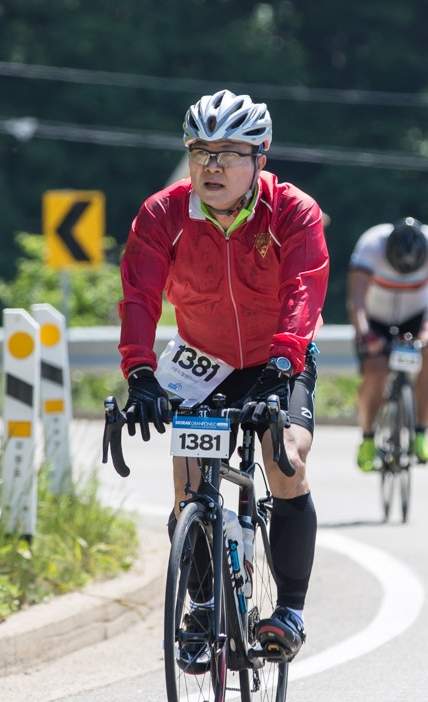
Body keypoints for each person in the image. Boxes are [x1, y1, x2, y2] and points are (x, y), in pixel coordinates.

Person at [117, 89, 329, 661]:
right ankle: (204, 603)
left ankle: (290, 610)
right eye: (201, 152)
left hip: (276, 356)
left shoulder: (292, 211)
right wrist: (139, 372)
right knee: (189, 486)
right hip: (201, 358)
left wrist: (281, 366)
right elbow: (139, 295)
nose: (212, 166)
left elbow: (303, 291)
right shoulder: (162, 214)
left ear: (260, 157)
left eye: (229, 153)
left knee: (285, 456)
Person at [347, 217, 428, 471]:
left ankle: (421, 431)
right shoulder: (371, 243)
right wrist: (364, 333)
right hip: (376, 319)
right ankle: (367, 438)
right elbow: (356, 297)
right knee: (376, 370)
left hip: (418, 316)